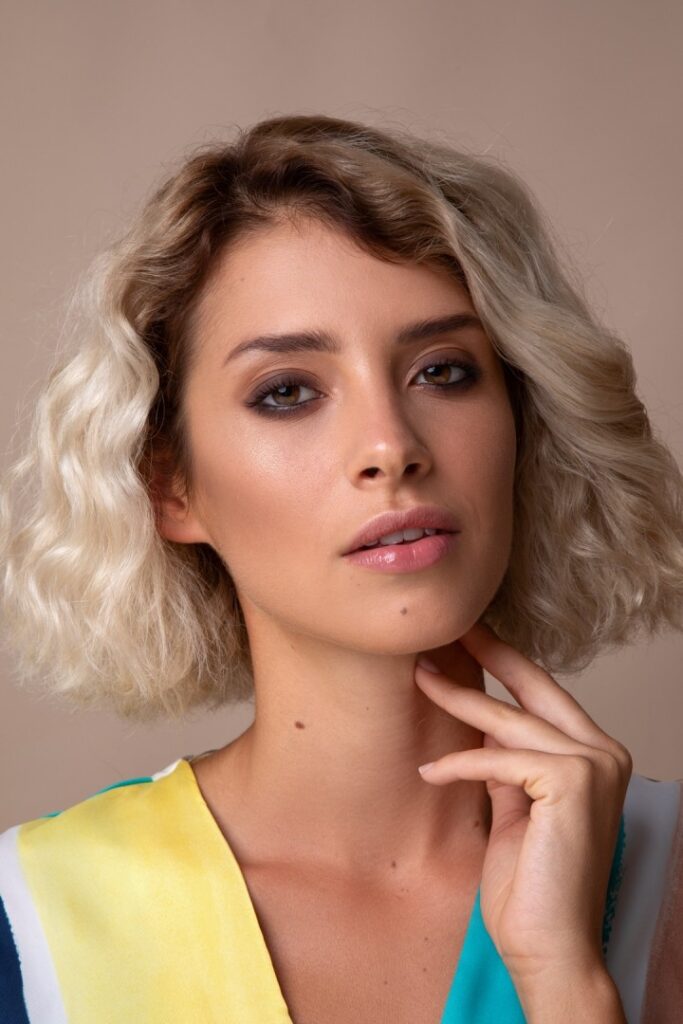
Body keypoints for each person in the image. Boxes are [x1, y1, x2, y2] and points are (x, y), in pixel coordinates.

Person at [0, 114, 681, 1023]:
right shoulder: (32, 918)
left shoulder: (668, 876)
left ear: (524, 424)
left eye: (443, 372)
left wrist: (563, 977)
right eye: (286, 392)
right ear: (171, 488)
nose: (390, 446)